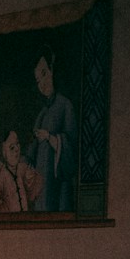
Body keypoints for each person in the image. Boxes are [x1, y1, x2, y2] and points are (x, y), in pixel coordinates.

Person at [25, 45, 78, 212]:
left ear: (52, 70)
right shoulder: (42, 114)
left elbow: (72, 151)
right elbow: (31, 152)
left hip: (58, 187)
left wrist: (50, 137)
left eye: (44, 74)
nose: (42, 83)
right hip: (42, 188)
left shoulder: (65, 106)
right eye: (38, 80)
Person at [0, 129, 43, 213]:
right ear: (4, 152)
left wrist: (30, 179)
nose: (17, 150)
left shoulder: (22, 168)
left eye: (17, 144)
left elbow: (34, 193)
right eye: (12, 147)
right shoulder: (0, 177)